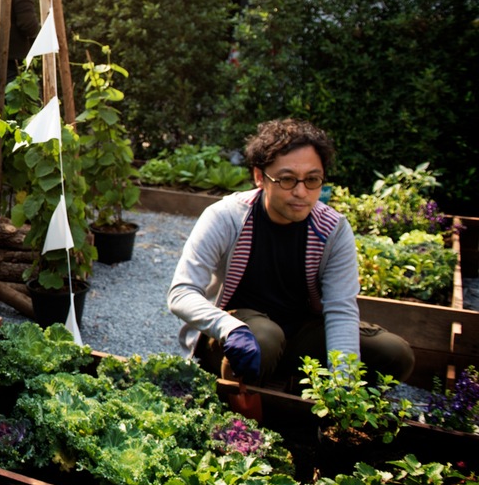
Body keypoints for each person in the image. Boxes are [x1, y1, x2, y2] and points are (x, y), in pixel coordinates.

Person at [168, 118, 415, 387]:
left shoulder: (333, 230)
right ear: (260, 177)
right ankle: (241, 406)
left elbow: (340, 310)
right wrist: (228, 327)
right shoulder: (226, 217)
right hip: (235, 337)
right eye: (286, 179)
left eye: (312, 180)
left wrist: (344, 386)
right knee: (264, 337)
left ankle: (295, 393)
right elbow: (182, 293)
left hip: (297, 336)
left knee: (394, 354)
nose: (301, 192)